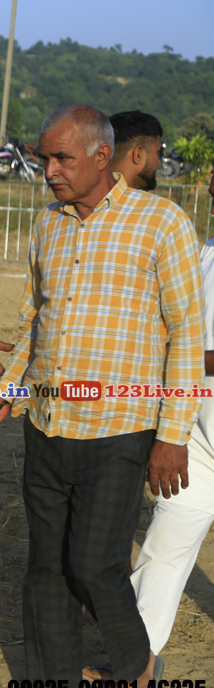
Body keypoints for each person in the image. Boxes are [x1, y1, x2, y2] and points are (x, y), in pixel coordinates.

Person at [0, 104, 202, 688]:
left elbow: (186, 334)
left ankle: (137, 670)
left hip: (119, 429)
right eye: (44, 157)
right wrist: (5, 396)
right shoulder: (48, 224)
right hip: (47, 425)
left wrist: (172, 436)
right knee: (46, 570)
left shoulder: (162, 223)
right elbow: (35, 321)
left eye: (62, 157)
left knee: (95, 564)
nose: (49, 170)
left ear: (102, 157)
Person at [130, 167, 214, 661]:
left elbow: (188, 346)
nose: (210, 181)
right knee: (165, 542)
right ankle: (136, 662)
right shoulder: (205, 251)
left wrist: (177, 355)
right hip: (198, 429)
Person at [110, 110, 164, 192]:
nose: (159, 161)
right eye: (157, 152)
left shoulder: (90, 196)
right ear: (138, 155)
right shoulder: (155, 201)